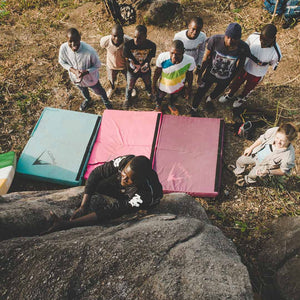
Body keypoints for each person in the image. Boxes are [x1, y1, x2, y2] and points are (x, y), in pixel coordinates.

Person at [45, 155, 163, 233]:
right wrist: (83, 206)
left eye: (129, 178)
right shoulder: (124, 161)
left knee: (114, 213)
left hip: (138, 198)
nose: (124, 178)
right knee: (99, 185)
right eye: (124, 174)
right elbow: (96, 173)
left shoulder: (145, 194)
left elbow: (112, 210)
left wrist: (68, 224)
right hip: (126, 189)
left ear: (139, 180)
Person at [189, 23, 251, 115]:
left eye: (233, 39)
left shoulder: (243, 47)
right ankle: (194, 108)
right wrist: (200, 75)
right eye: (228, 37)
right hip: (210, 74)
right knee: (201, 91)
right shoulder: (215, 40)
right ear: (225, 35)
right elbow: (206, 58)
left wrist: (234, 81)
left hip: (227, 76)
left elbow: (240, 65)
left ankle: (209, 100)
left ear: (238, 39)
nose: (229, 41)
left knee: (218, 91)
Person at [219, 24, 282, 108]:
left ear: (273, 39)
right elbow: (245, 47)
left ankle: (241, 98)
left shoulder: (276, 52)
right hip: (245, 67)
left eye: (266, 41)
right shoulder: (253, 37)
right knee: (236, 82)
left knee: (249, 87)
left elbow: (272, 63)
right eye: (261, 39)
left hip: (257, 73)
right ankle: (230, 94)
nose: (262, 42)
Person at [59, 28, 112, 111]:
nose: (73, 44)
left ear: (80, 38)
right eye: (70, 41)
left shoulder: (90, 51)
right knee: (83, 90)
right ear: (67, 40)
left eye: (76, 40)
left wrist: (86, 72)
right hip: (76, 78)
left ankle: (106, 101)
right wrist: (74, 71)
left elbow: (97, 65)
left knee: (99, 91)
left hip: (91, 79)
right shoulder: (63, 48)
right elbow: (62, 61)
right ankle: (88, 100)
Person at [233, 123, 297, 187]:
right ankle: (238, 172)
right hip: (256, 154)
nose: (278, 142)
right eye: (277, 138)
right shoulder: (274, 131)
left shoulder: (289, 156)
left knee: (253, 175)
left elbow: (283, 171)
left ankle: (247, 181)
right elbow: (262, 139)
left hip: (264, 166)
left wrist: (268, 171)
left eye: (282, 141)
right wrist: (250, 148)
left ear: (290, 141)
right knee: (240, 160)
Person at [152, 40, 196, 115]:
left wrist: (189, 88)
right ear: (169, 50)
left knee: (174, 97)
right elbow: (157, 72)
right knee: (160, 96)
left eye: (177, 54)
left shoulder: (189, 61)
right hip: (163, 86)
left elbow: (190, 75)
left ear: (183, 52)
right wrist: (153, 85)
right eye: (172, 53)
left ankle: (171, 105)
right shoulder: (162, 58)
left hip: (178, 86)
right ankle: (158, 105)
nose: (174, 57)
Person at [123, 25, 156, 109]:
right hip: (132, 70)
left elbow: (149, 58)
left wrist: (145, 64)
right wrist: (133, 66)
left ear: (145, 37)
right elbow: (127, 59)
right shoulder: (127, 45)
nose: (136, 40)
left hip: (145, 69)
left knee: (148, 82)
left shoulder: (152, 46)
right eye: (135, 37)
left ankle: (150, 93)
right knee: (130, 85)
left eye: (139, 38)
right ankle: (127, 98)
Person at [100, 24, 135, 99]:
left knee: (129, 78)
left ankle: (131, 88)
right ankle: (112, 88)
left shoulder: (128, 41)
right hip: (111, 65)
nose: (117, 38)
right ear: (111, 35)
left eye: (119, 36)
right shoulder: (105, 41)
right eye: (114, 36)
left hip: (124, 66)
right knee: (111, 80)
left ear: (123, 34)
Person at [174, 16, 206, 85]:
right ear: (189, 26)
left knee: (187, 76)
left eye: (198, 30)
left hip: (192, 61)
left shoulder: (202, 37)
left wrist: (199, 64)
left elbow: (201, 51)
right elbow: (174, 51)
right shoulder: (179, 37)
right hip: (180, 61)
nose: (195, 32)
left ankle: (184, 87)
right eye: (193, 29)